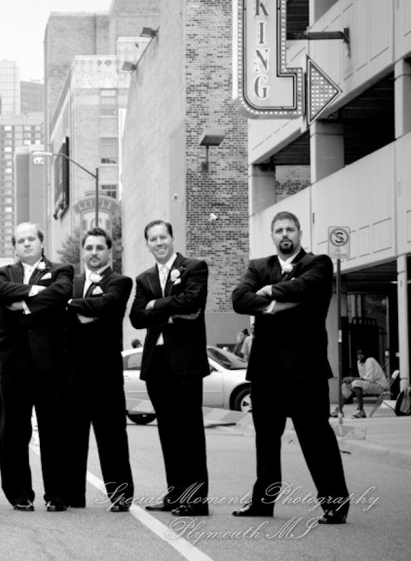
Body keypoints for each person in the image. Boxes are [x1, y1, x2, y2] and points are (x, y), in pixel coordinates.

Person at [231, 211, 350, 524]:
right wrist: (277, 304)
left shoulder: (318, 263)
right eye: (279, 230)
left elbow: (308, 289)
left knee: (317, 438)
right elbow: (239, 299)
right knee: (266, 441)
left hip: (306, 370)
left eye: (290, 229)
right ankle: (262, 502)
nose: (285, 234)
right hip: (266, 370)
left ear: (299, 233)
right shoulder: (258, 266)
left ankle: (335, 505)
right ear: (272, 235)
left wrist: (267, 292)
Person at [128, 220, 210, 517]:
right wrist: (169, 311)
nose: (159, 242)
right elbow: (136, 318)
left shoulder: (194, 267)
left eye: (163, 237)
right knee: (168, 432)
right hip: (156, 364)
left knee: (190, 431)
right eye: (153, 239)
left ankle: (196, 500)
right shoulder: (143, 278)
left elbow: (192, 302)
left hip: (186, 363)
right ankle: (175, 495)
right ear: (147, 244)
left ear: (172, 239)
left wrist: (154, 306)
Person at [0, 222, 73, 512]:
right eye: (20, 240)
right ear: (14, 247)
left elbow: (61, 292)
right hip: (14, 364)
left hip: (50, 363)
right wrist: (38, 292)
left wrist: (24, 304)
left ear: (41, 242)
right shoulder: (2, 273)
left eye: (31, 239)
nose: (26, 244)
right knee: (13, 431)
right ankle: (19, 494)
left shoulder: (62, 270)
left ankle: (57, 495)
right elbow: (0, 291)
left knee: (55, 430)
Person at [65, 227, 135, 513]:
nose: (94, 252)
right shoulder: (71, 282)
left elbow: (109, 304)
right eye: (89, 247)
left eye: (99, 248)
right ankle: (72, 495)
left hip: (106, 374)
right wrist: (86, 311)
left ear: (109, 252)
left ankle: (121, 497)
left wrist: (72, 306)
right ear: (83, 251)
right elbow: (59, 314)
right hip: (73, 374)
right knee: (72, 438)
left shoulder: (120, 282)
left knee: (112, 438)